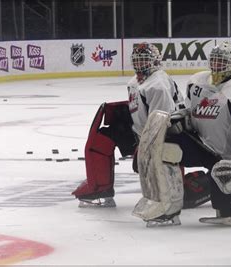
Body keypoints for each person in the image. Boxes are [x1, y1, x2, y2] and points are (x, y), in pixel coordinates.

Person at [132, 41, 231, 226]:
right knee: (163, 147)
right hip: (200, 145)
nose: (216, 66)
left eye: (222, 61)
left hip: (227, 159)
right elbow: (189, 109)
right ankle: (167, 206)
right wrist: (180, 120)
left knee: (229, 211)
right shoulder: (197, 82)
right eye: (214, 60)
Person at [72, 42, 209, 209]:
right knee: (101, 140)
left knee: (168, 170)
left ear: (155, 61)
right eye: (137, 60)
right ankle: (100, 189)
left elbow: (163, 122)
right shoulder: (134, 82)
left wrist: (145, 146)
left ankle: (179, 190)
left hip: (169, 136)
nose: (140, 65)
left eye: (144, 60)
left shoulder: (158, 85)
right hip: (143, 132)